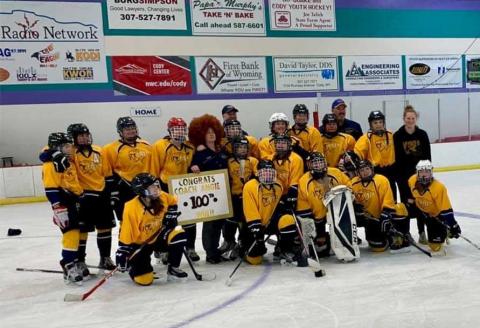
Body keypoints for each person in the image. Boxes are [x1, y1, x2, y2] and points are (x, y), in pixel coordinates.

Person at [116, 173, 188, 285]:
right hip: (140, 244)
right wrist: (123, 252)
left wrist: (171, 212)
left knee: (178, 232)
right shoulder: (131, 208)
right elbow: (127, 233)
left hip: (158, 236)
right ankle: (133, 266)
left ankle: (173, 268)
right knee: (145, 281)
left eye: (156, 185)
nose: (156, 189)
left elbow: (173, 201)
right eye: (152, 187)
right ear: (142, 191)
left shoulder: (162, 197)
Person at [66, 123, 116, 273]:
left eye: (86, 135)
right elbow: (47, 151)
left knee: (105, 228)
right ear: (73, 138)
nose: (85, 138)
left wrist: (111, 194)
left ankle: (105, 257)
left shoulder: (99, 151)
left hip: (101, 196)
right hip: (83, 197)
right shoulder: (71, 153)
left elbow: (107, 174)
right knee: (83, 230)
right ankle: (80, 260)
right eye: (80, 136)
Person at [151, 117, 199, 262]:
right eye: (175, 129)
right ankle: (162, 249)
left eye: (182, 129)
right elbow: (154, 169)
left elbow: (192, 163)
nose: (179, 132)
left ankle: (190, 248)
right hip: (165, 187)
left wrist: (193, 167)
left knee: (190, 219)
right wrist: (156, 190)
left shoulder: (190, 146)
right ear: (169, 131)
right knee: (164, 220)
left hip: (184, 187)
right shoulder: (160, 146)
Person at [242, 160, 306, 266]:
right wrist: (256, 228)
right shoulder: (250, 186)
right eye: (264, 172)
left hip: (271, 222)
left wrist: (285, 205)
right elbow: (250, 210)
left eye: (270, 172)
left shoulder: (278, 185)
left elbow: (278, 205)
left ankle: (284, 248)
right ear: (257, 173)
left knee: (288, 220)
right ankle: (242, 248)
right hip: (255, 225)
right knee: (255, 260)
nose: (268, 175)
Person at [42, 132, 84, 284]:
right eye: (66, 146)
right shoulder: (51, 164)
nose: (70, 148)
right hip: (64, 203)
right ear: (57, 148)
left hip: (74, 201)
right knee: (70, 234)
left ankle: (73, 261)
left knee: (77, 233)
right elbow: (51, 188)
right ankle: (68, 265)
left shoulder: (67, 160)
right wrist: (58, 208)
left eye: (70, 145)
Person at [188, 114, 229, 264]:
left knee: (219, 224)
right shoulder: (199, 153)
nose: (211, 134)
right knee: (210, 224)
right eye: (207, 132)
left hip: (224, 194)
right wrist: (193, 167)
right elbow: (190, 170)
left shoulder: (222, 150)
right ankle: (210, 253)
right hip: (208, 196)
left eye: (213, 131)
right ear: (201, 135)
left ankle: (215, 249)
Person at [296, 152, 350, 257]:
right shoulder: (304, 181)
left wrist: (349, 194)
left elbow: (349, 186)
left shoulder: (336, 173)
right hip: (318, 217)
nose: (318, 166)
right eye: (315, 163)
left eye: (320, 162)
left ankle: (346, 240)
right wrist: (312, 226)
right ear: (309, 165)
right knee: (321, 251)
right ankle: (319, 240)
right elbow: (303, 209)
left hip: (338, 213)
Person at [103, 117, 153, 222]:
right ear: (120, 132)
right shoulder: (110, 149)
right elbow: (108, 173)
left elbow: (152, 167)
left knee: (147, 220)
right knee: (127, 222)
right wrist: (114, 191)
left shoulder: (146, 145)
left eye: (132, 128)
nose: (131, 131)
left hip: (145, 188)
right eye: (127, 129)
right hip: (125, 190)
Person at [394, 105, 431, 244]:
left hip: (420, 176)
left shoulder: (422, 134)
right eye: (408, 118)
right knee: (406, 205)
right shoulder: (398, 136)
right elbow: (397, 158)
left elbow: (427, 156)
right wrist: (400, 178)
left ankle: (422, 233)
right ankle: (406, 233)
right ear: (404, 119)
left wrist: (426, 175)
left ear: (416, 119)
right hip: (403, 177)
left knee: (420, 203)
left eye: (412, 118)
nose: (410, 120)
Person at [408, 160, 461, 255]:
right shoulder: (412, 180)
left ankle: (445, 229)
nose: (424, 175)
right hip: (420, 211)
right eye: (421, 172)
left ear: (431, 172)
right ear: (417, 173)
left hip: (434, 216)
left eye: (427, 172)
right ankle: (404, 235)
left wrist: (453, 224)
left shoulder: (439, 188)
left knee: (435, 247)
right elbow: (412, 195)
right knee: (400, 209)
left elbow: (446, 210)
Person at [348, 159, 399, 252]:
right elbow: (349, 198)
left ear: (371, 169)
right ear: (358, 172)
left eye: (367, 169)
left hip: (378, 218)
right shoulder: (353, 183)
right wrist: (355, 205)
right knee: (346, 217)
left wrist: (385, 214)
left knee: (378, 247)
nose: (365, 172)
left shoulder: (381, 180)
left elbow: (388, 201)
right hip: (364, 217)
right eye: (362, 170)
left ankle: (388, 234)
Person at [220, 137, 258, 259]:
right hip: (233, 196)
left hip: (247, 197)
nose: (242, 150)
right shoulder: (229, 161)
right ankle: (229, 241)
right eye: (239, 147)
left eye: (244, 147)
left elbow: (258, 177)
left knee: (245, 222)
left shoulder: (252, 161)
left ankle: (242, 242)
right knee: (230, 221)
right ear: (234, 149)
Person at [354, 111, 397, 200]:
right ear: (370, 124)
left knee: (392, 196)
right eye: (375, 123)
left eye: (380, 122)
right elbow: (357, 152)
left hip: (391, 171)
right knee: (378, 196)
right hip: (376, 171)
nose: (378, 125)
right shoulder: (366, 138)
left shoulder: (390, 135)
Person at [271, 134, 304, 212]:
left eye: (283, 143)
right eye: (278, 142)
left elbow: (295, 183)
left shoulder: (296, 159)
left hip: (290, 194)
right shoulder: (270, 158)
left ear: (289, 145)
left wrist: (286, 199)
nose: (280, 145)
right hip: (274, 194)